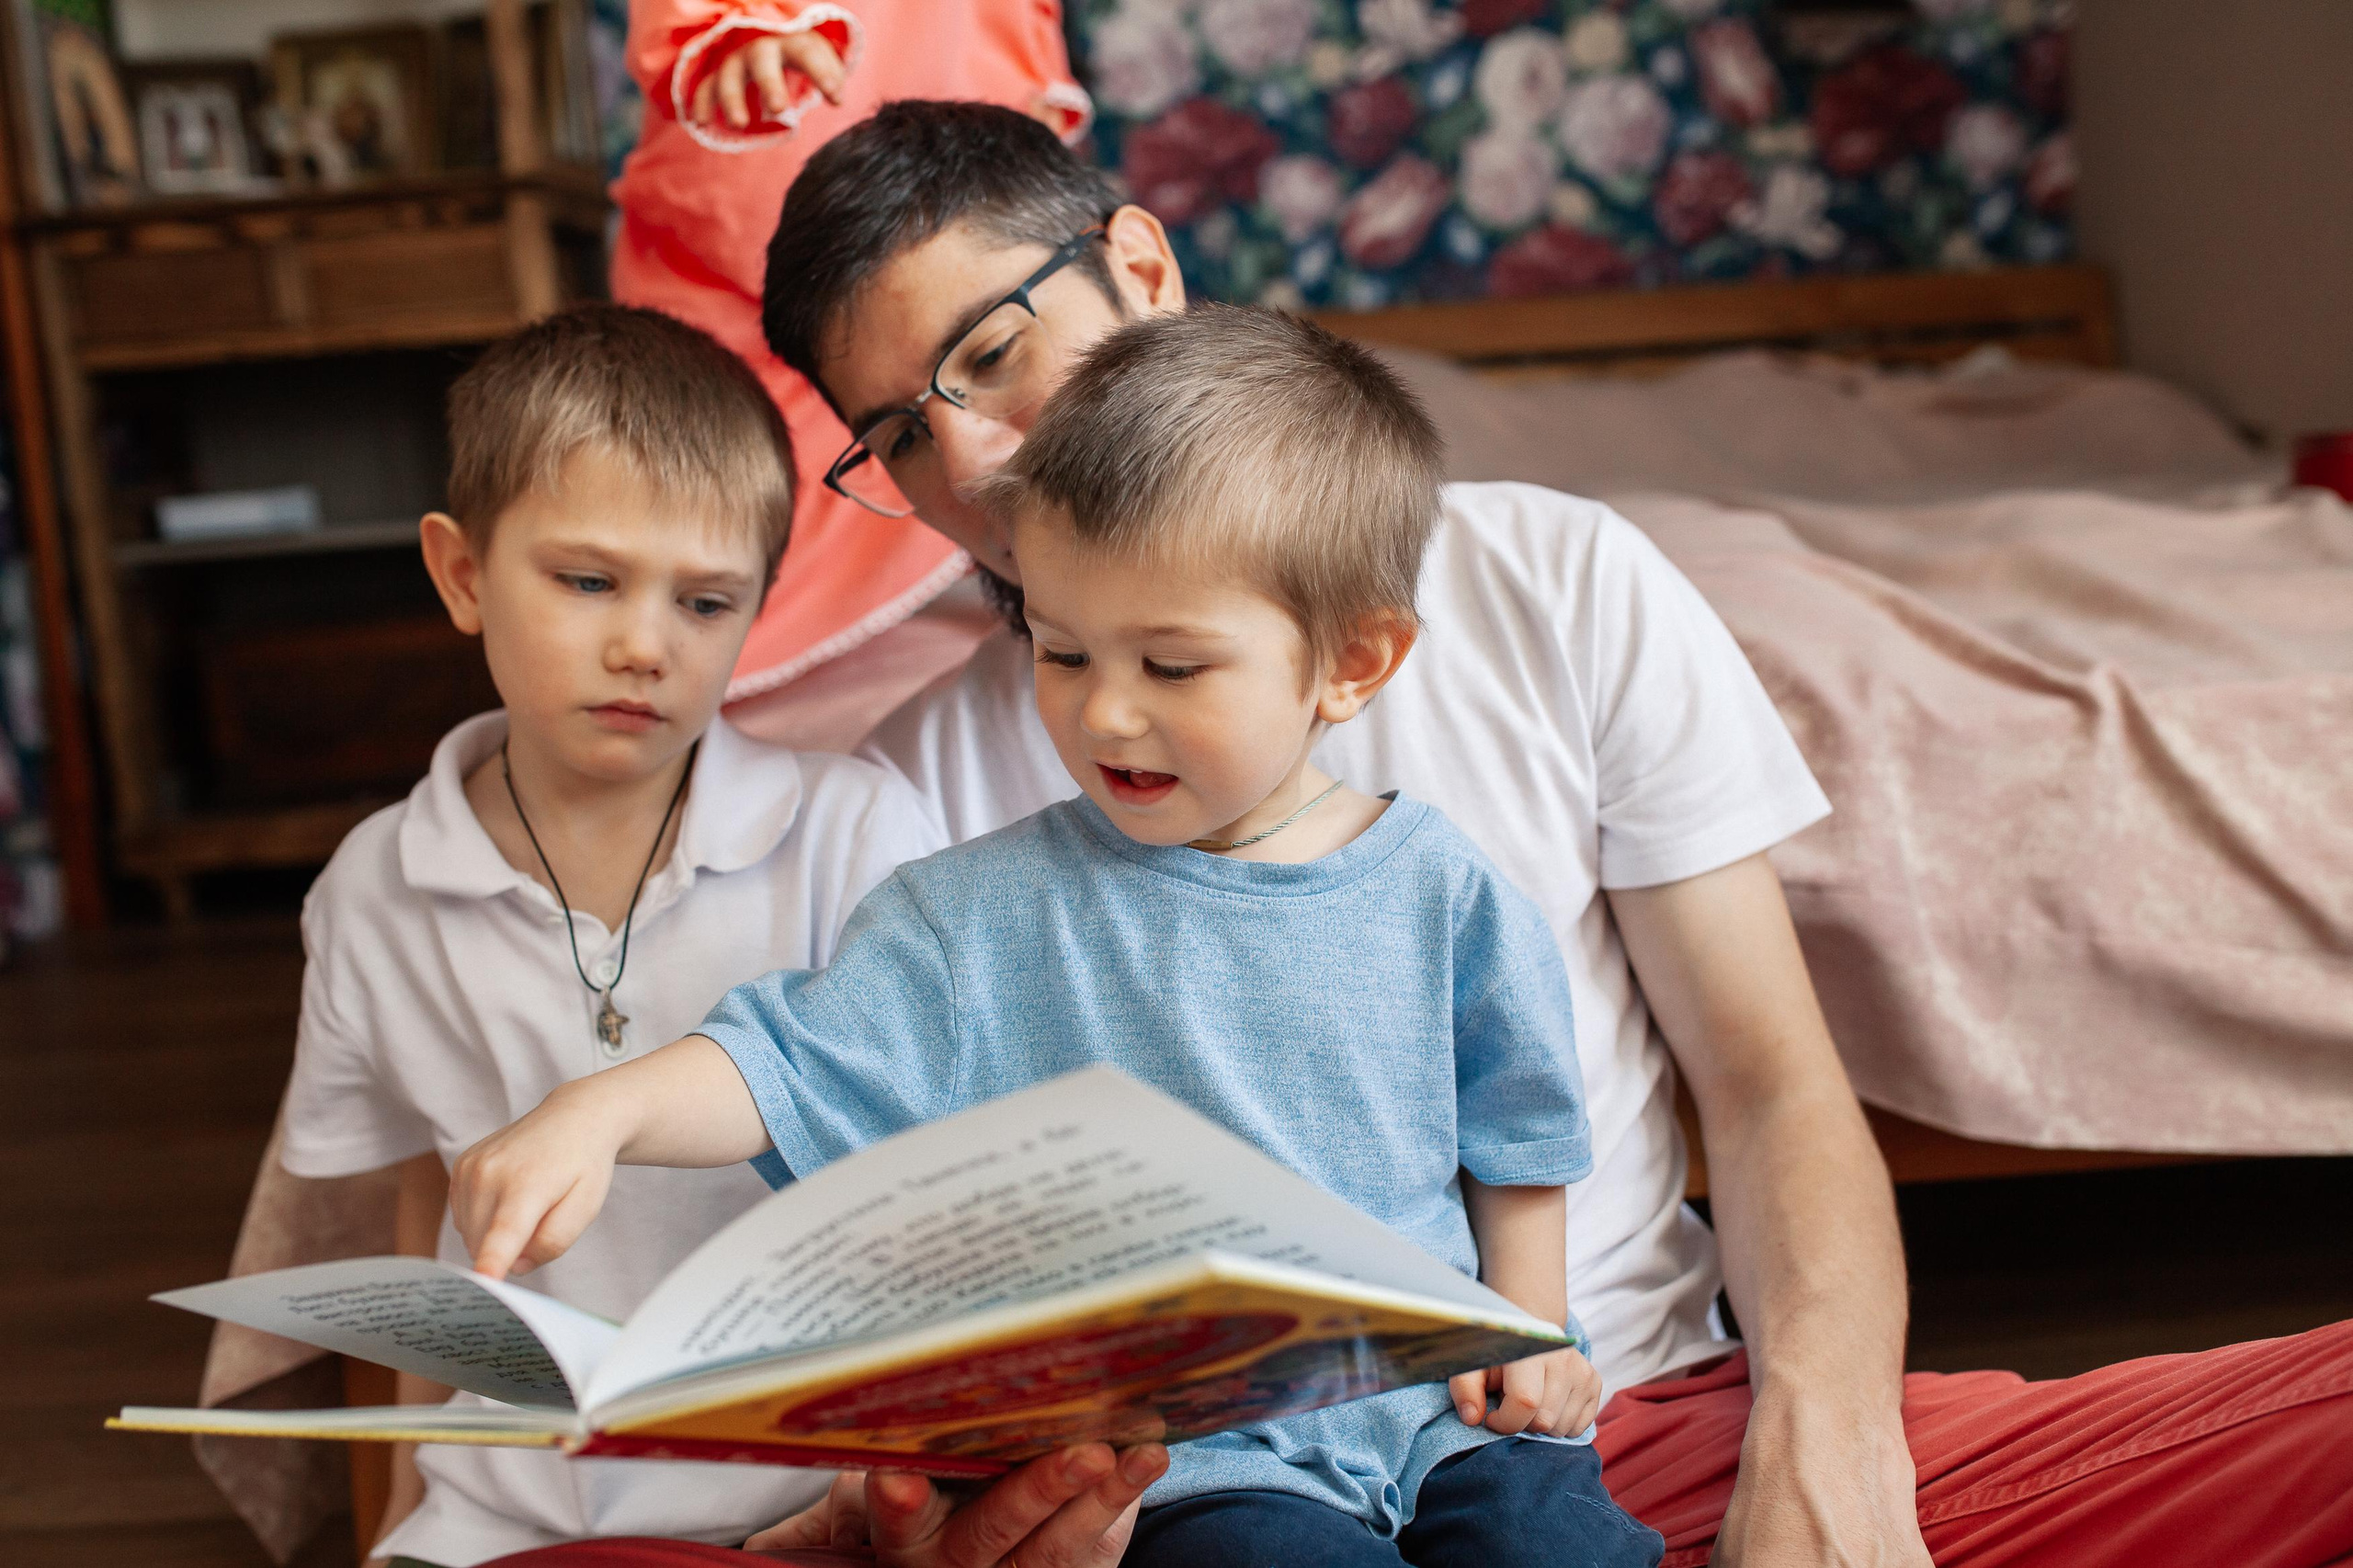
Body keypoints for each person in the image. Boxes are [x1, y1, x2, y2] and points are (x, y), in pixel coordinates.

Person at [699, 102, 2349, 1568]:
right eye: (899, 432)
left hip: (1612, 1421)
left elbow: (1772, 1078)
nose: (972, 453)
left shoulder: (1559, 578)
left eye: (990, 354)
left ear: (1141, 265)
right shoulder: (911, 794)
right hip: (1219, 1500)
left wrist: (1825, 1462)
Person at [450, 305, 1665, 1568]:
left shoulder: (1444, 893)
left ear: (1352, 662)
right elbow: (784, 1062)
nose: (1108, 713)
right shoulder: (974, 918)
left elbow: (1517, 1136)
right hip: (1209, 1457)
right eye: (1063, 648)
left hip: (1449, 1412)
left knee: (1563, 1543)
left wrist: (1536, 1336)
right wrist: (601, 1113)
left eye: (1175, 666)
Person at [277, 304, 951, 1565]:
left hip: (808, 1503)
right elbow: (418, 1211)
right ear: (463, 573)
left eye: (705, 601)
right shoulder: (373, 889)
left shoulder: (858, 831)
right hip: (506, 1505)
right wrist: (389, 1527)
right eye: (587, 581)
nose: (645, 644)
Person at [610, 0, 1091, 702]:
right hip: (770, 164)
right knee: (737, 459)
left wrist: (1022, 97)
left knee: (988, 392)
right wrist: (729, 29)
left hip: (951, 126)